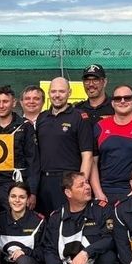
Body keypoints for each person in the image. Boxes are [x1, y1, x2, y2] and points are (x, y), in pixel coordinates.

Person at [40, 171, 115, 264]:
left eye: (87, 183)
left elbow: (110, 239)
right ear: (68, 192)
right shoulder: (56, 217)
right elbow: (49, 249)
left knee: (109, 258)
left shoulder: (102, 209)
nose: (87, 187)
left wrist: (86, 253)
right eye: (81, 185)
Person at [34, 77, 95, 216]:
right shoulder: (42, 117)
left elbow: (87, 155)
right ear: (49, 93)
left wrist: (80, 184)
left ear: (69, 92)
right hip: (43, 182)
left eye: (61, 91)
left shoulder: (79, 117)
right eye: (53, 91)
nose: (57, 95)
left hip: (67, 181)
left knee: (67, 223)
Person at [0, 86, 38, 208]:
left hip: (14, 185)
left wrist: (32, 192)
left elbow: (33, 161)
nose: (1, 106)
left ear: (14, 103)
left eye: (5, 101)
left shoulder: (25, 126)